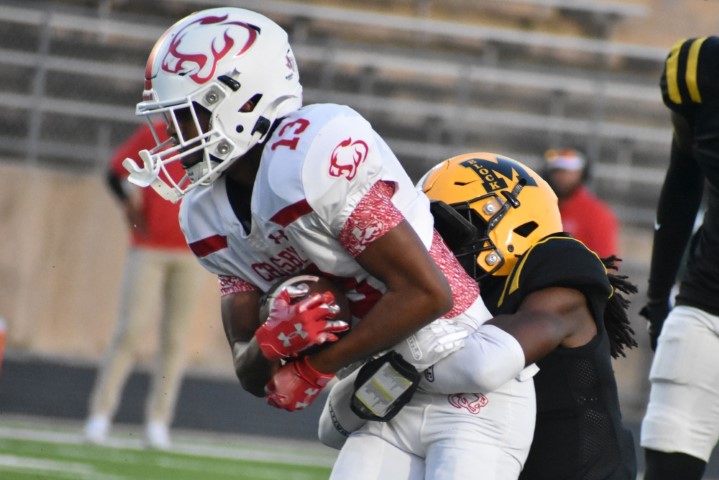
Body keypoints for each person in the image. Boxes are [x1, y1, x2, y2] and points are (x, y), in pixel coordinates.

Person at [124, 8, 536, 479]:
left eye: (187, 114)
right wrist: (271, 343)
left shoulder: (308, 158)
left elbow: (427, 294)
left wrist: (314, 367)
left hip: (468, 386)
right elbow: (247, 366)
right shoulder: (205, 215)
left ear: (241, 99)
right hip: (384, 398)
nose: (174, 133)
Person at [320, 152, 638, 479]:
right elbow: (336, 426)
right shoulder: (444, 291)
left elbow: (485, 363)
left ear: (518, 225)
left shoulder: (556, 272)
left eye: (447, 228)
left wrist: (393, 360)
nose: (434, 244)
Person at [84, 122, 208, 449]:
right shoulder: (157, 131)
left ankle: (158, 420)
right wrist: (130, 205)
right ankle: (100, 414)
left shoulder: (209, 135)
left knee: (175, 338)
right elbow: (115, 173)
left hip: (191, 251)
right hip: (149, 248)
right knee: (130, 330)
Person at [640, 36, 719, 480]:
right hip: (706, 308)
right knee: (667, 469)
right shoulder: (702, 67)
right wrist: (658, 299)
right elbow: (682, 184)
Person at [543, 148, 619, 258]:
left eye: (569, 172)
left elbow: (606, 261)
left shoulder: (597, 214)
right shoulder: (540, 207)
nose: (563, 177)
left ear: (582, 174)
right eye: (557, 171)